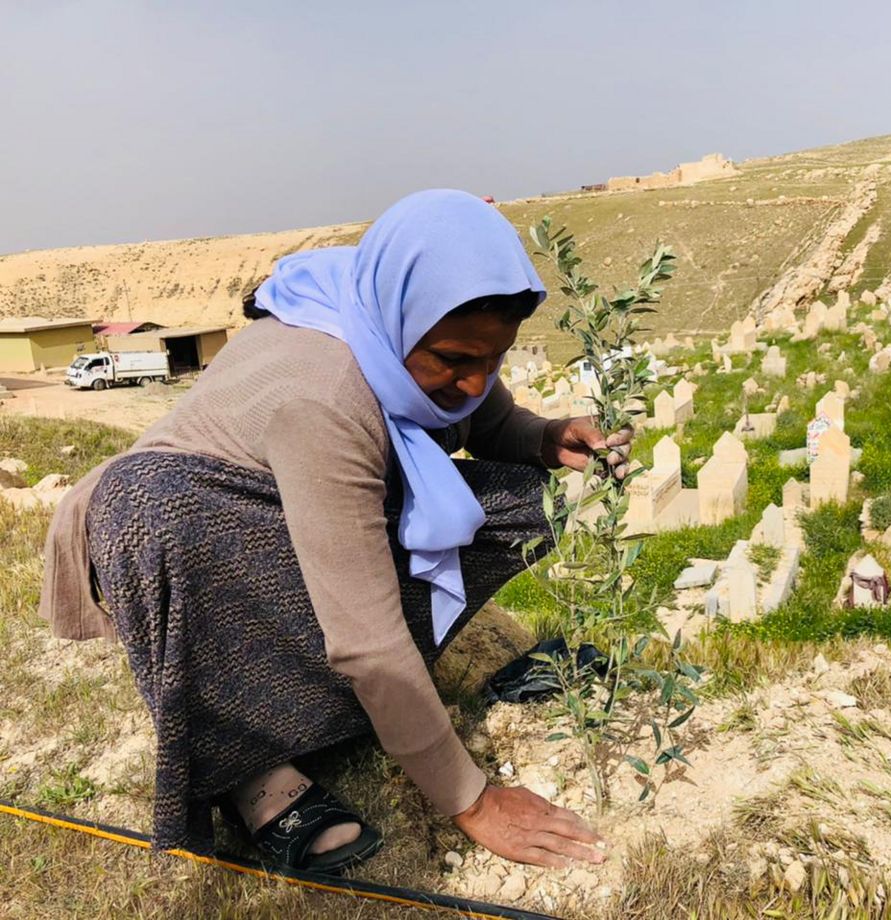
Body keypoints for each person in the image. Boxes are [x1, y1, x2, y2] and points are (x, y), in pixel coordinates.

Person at [38, 190, 631, 874]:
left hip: (296, 493)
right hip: (186, 517)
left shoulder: (400, 314)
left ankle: (354, 703)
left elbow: (488, 420)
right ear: (399, 320)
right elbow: (367, 641)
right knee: (177, 527)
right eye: (452, 360)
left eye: (491, 359)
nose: (472, 383)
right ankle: (248, 761)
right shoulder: (325, 401)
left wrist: (547, 436)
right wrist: (472, 802)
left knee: (525, 504)